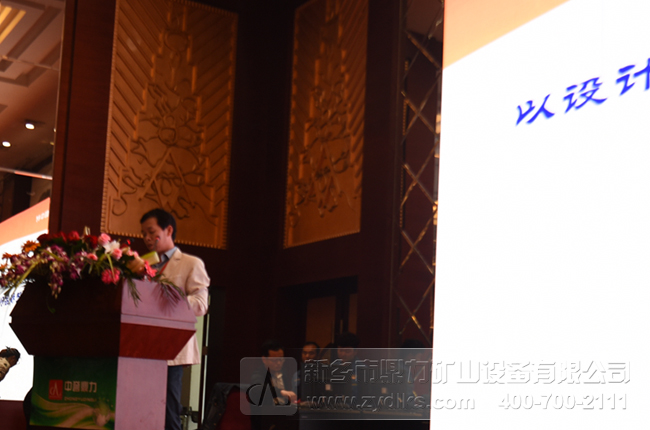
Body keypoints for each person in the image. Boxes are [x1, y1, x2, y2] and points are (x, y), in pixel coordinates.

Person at [140, 208, 210, 430]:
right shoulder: (143, 265)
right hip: (144, 347)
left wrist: (169, 298)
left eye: (151, 232)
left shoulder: (190, 263)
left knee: (168, 412)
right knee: (144, 411)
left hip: (172, 347)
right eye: (143, 234)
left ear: (168, 230)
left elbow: (201, 304)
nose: (147, 238)